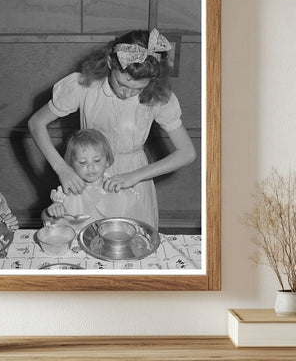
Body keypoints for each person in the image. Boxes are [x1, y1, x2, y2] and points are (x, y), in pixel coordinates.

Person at [29, 29, 196, 229]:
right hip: (90, 173)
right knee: (86, 233)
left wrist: (135, 176)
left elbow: (187, 153)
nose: (127, 93)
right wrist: (62, 169)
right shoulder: (84, 86)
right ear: (110, 64)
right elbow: (36, 123)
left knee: (133, 237)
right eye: (122, 83)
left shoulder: (159, 97)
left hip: (135, 176)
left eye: (138, 88)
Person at [43, 129, 148, 232]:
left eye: (97, 160)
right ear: (71, 164)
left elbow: (134, 220)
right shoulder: (68, 189)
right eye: (82, 162)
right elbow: (48, 218)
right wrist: (55, 209)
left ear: (107, 161)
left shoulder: (116, 187)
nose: (90, 167)